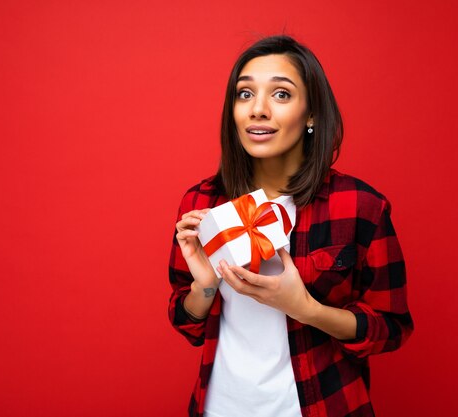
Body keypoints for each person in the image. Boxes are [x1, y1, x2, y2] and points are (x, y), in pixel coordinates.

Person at [168, 35, 413, 417]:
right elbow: (187, 325)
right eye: (244, 94)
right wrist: (204, 285)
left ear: (311, 113)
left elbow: (392, 328)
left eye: (281, 94)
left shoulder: (360, 207)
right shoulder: (202, 204)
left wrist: (306, 309)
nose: (258, 110)